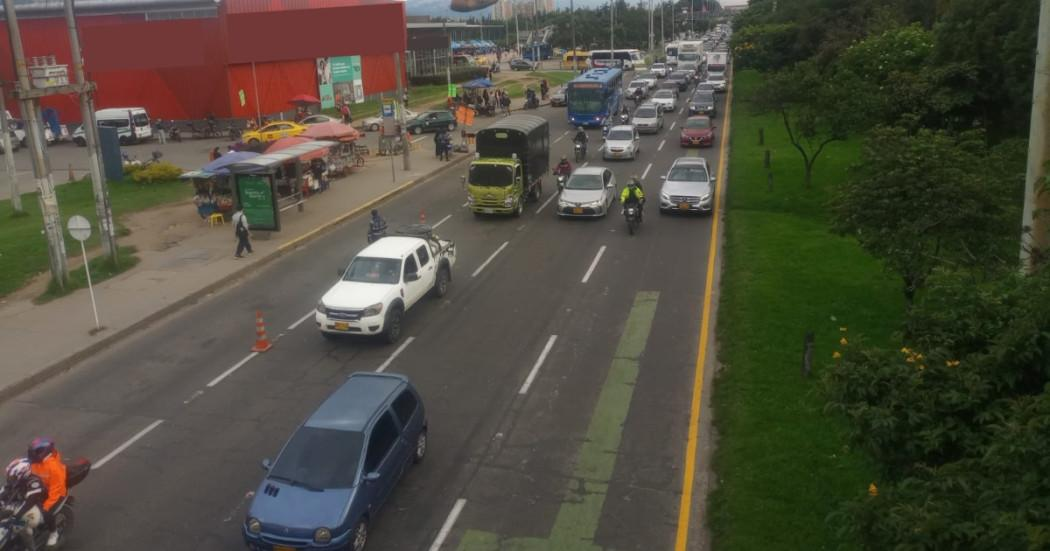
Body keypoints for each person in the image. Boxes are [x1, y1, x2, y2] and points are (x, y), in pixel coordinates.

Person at [28, 438, 65, 547]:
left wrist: (46, 506)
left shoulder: (53, 467)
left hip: (55, 494)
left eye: (36, 452)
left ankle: (54, 533)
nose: (32, 455)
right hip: (41, 490)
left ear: (44, 452)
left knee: (45, 513)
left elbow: (56, 489)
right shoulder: (35, 463)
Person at [1, 458, 47, 548]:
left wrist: (16, 516)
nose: (10, 478)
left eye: (13, 477)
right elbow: (5, 491)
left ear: (22, 474)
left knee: (20, 526)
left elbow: (30, 502)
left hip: (36, 507)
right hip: (21, 503)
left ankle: (31, 548)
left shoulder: (34, 482)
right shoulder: (16, 481)